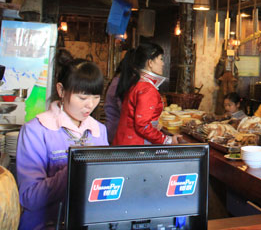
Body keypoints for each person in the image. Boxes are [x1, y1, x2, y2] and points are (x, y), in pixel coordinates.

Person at [16, 50, 107, 230]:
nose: (90, 105)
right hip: (45, 224)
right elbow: (29, 197)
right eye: (82, 97)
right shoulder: (36, 130)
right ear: (61, 90)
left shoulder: (99, 130)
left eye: (96, 97)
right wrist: (76, 170)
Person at [114, 43, 183, 145]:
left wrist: (154, 125)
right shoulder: (147, 89)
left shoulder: (136, 83)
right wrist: (167, 140)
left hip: (125, 142)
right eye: (161, 59)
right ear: (150, 62)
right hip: (135, 147)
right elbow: (142, 125)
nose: (163, 63)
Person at [103, 50, 132, 144]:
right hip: (115, 133)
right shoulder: (118, 84)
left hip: (114, 131)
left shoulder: (118, 81)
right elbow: (127, 112)